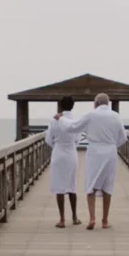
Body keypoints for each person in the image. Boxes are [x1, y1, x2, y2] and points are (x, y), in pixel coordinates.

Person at [54, 93, 127, 230]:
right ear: (108, 103)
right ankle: (105, 221)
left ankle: (92, 218)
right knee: (108, 185)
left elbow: (73, 127)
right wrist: (112, 145)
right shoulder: (116, 116)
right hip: (110, 152)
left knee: (91, 184)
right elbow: (123, 138)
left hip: (94, 151)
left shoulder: (91, 115)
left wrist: (61, 118)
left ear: (96, 103)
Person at [45, 96, 81, 228]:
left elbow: (48, 140)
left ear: (60, 105)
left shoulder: (54, 121)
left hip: (58, 153)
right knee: (72, 185)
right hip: (71, 153)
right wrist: (71, 145)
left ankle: (62, 220)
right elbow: (78, 140)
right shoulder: (76, 120)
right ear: (73, 105)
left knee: (59, 186)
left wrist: (57, 145)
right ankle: (75, 217)